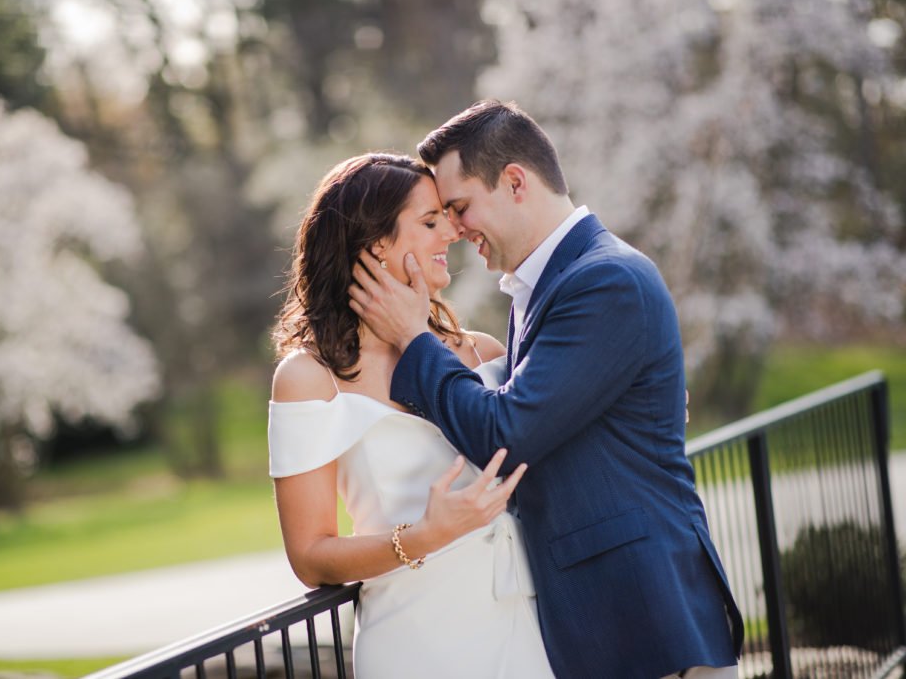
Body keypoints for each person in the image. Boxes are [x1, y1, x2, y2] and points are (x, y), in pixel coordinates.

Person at [349, 101, 744, 679]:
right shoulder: (544, 286)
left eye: (459, 208)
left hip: (648, 619)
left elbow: (505, 435)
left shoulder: (605, 279)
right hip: (607, 622)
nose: (455, 230)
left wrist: (413, 337)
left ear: (514, 182)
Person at [268, 152, 555, 678]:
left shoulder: (486, 354)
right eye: (429, 221)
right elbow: (310, 555)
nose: (452, 231)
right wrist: (423, 536)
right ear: (376, 244)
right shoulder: (310, 378)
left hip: (528, 629)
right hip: (418, 644)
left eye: (447, 215)